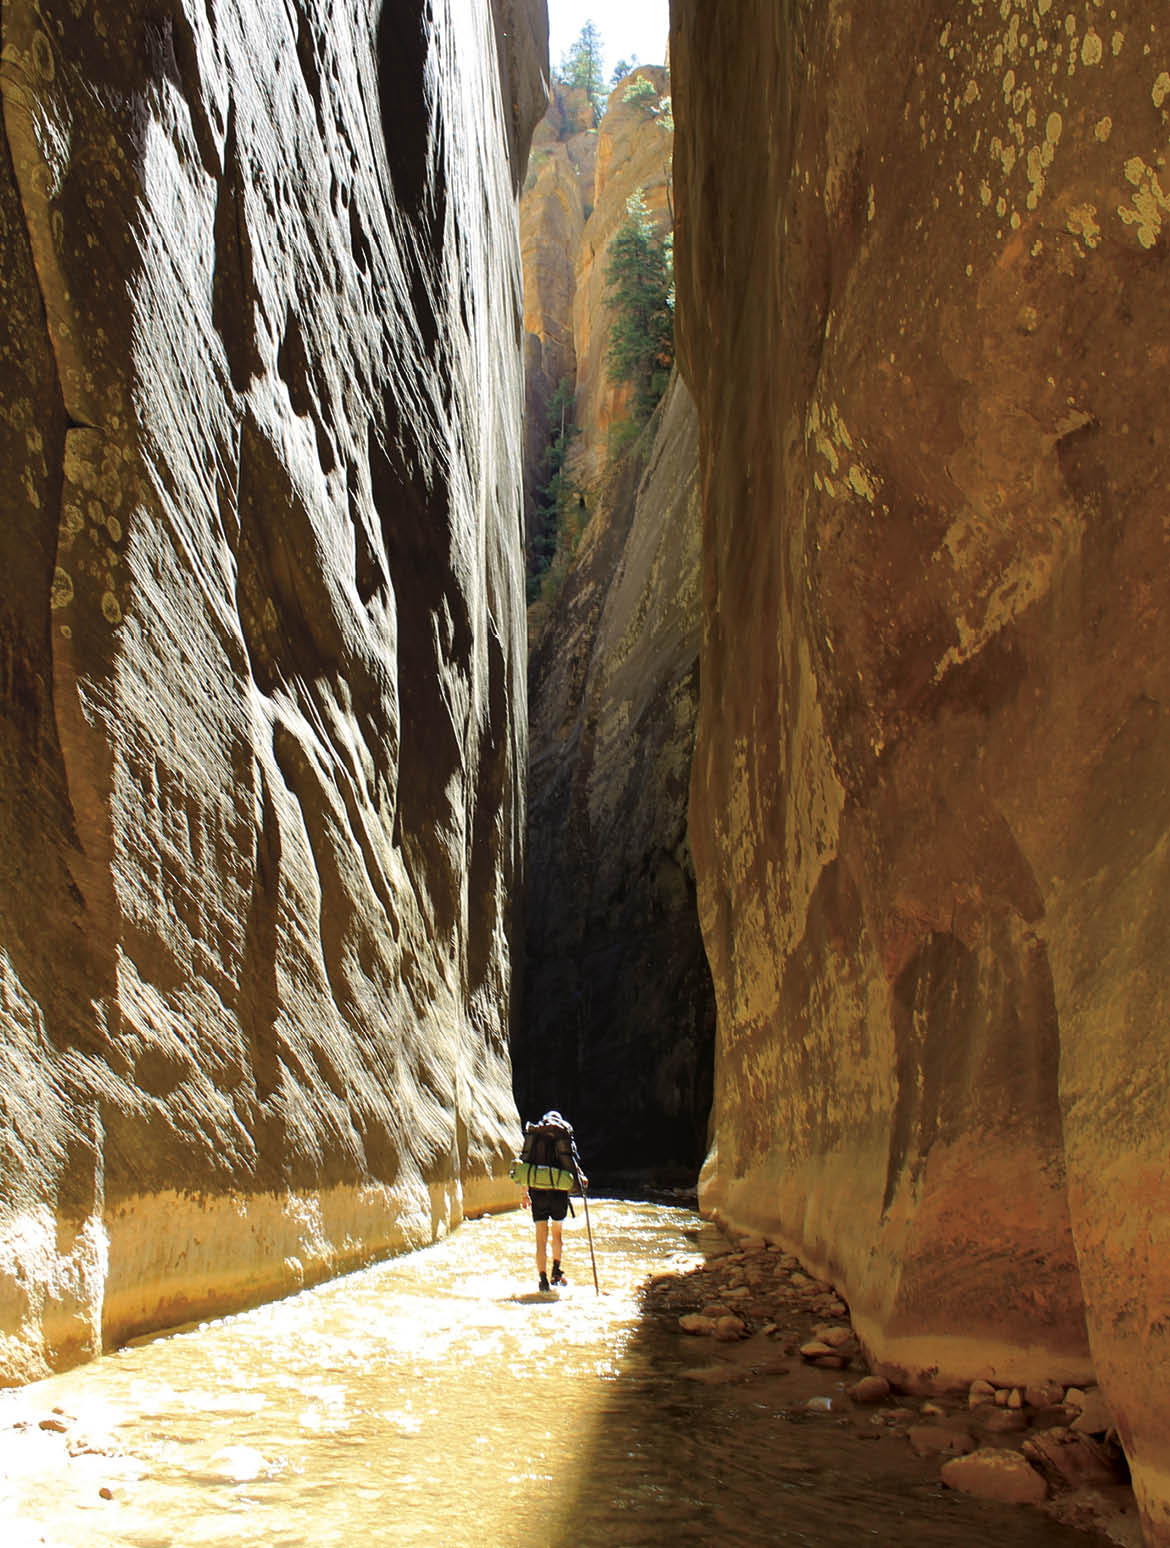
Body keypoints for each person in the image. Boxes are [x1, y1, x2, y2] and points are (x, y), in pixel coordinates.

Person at [518, 1111, 587, 1292]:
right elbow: (571, 1164)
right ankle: (556, 1272)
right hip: (558, 1194)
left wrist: (525, 1194)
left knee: (540, 1238)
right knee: (557, 1234)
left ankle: (542, 1281)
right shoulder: (563, 1135)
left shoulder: (535, 1136)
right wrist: (581, 1179)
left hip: (538, 1193)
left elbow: (525, 1165)